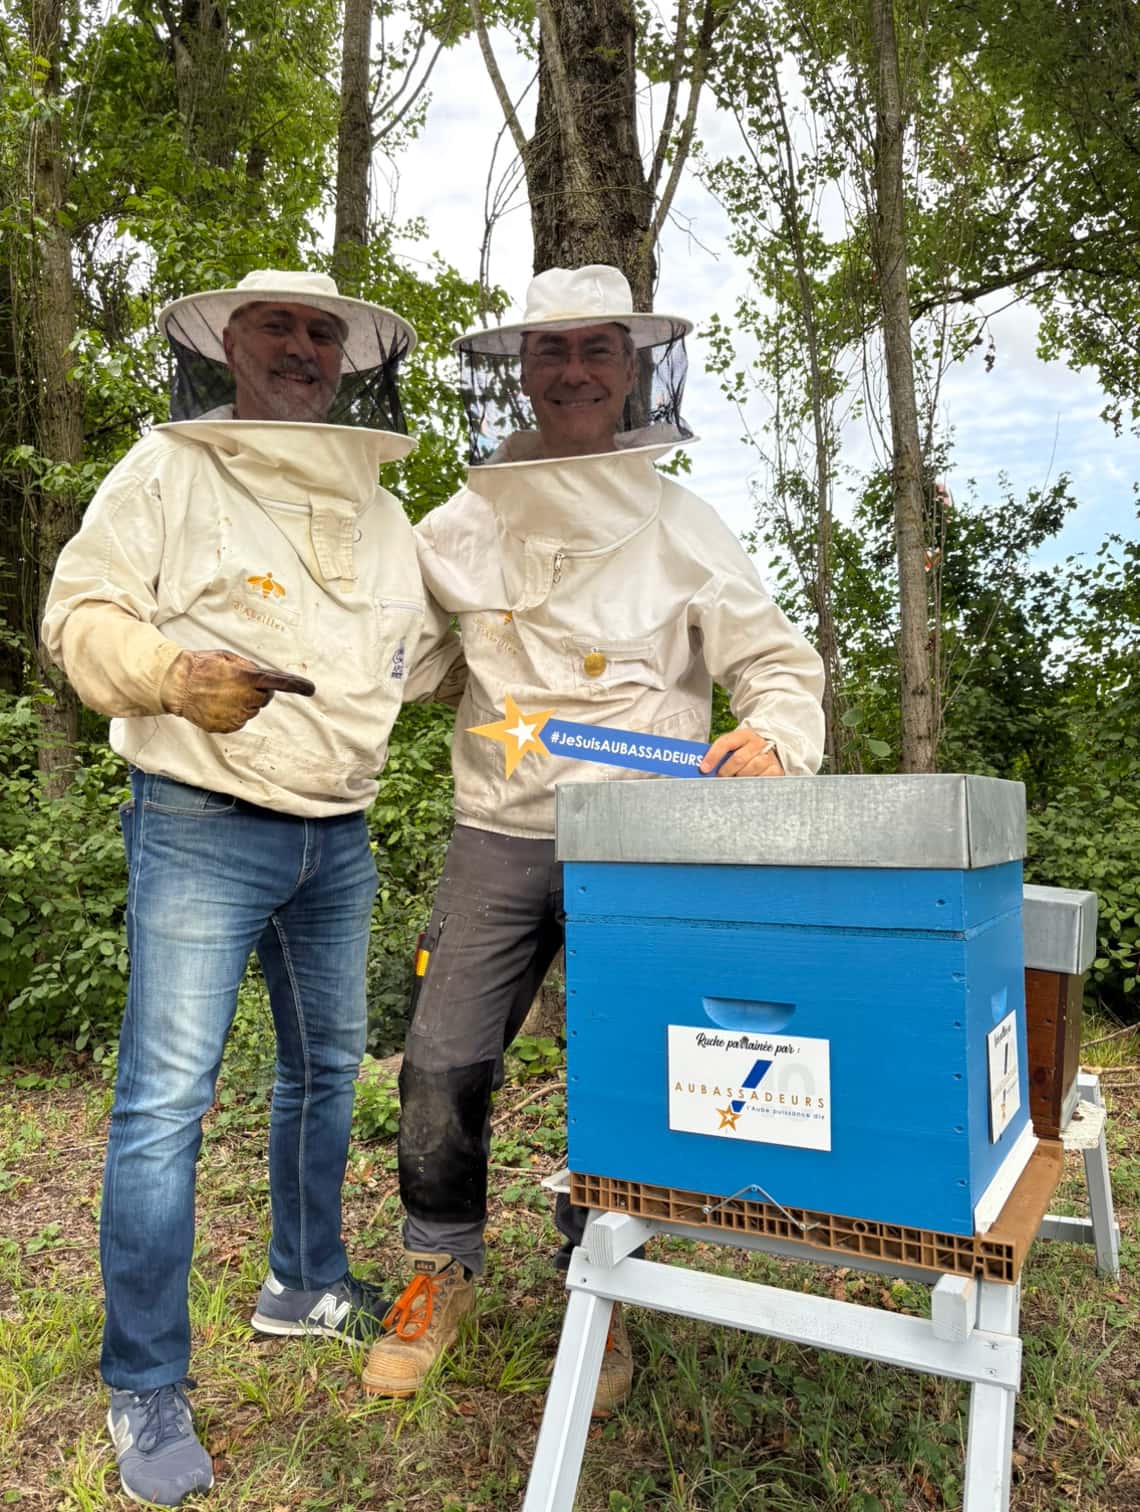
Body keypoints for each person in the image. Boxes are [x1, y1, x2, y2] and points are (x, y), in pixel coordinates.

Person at [361, 265, 825, 1411]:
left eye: (597, 351)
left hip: (641, 842)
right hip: (498, 830)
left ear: (633, 369)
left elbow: (775, 665)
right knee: (439, 1060)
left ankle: (598, 1283)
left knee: (619, 1072)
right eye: (551, 351)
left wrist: (771, 736)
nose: (573, 372)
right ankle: (437, 1266)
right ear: (519, 370)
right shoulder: (461, 521)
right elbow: (400, 661)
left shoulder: (682, 522)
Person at [41, 269, 461, 1507]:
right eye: (276, 324)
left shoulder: (380, 508)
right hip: (199, 819)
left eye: (321, 330)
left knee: (330, 1071)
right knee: (167, 1101)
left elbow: (426, 656)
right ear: (229, 344)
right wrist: (170, 673)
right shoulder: (167, 470)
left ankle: (304, 1281)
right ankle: (144, 1384)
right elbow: (79, 613)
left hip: (338, 832)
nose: (301, 346)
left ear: (347, 360)